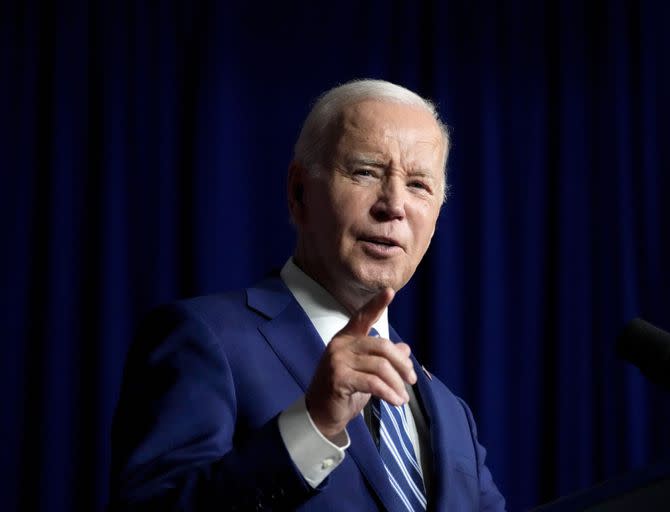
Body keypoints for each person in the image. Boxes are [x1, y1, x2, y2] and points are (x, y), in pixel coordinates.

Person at [109, 79, 506, 511]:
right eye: (366, 171)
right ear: (299, 192)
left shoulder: (451, 413)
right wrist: (313, 426)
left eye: (418, 185)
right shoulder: (205, 340)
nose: (394, 204)